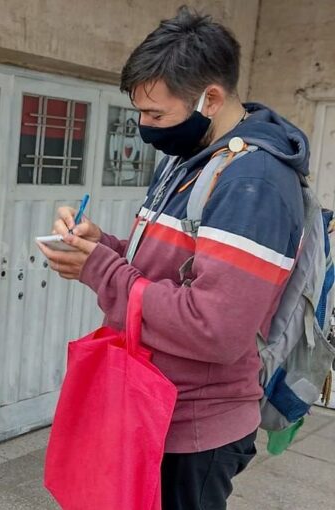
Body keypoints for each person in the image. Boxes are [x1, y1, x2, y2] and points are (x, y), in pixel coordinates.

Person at [39, 7, 308, 510]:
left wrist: (98, 269)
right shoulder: (190, 160)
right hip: (150, 405)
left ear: (211, 98)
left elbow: (215, 327)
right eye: (139, 113)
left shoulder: (255, 182)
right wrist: (106, 246)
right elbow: (168, 266)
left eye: (156, 115)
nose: (145, 128)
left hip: (194, 429)